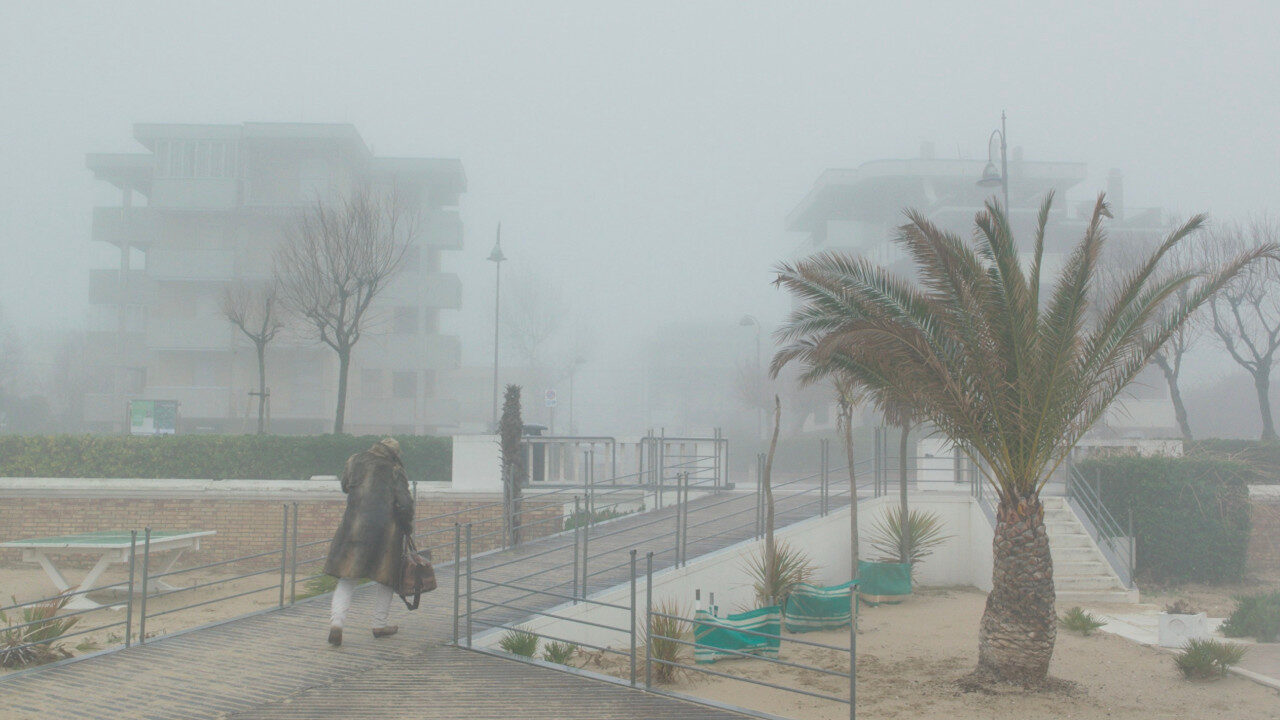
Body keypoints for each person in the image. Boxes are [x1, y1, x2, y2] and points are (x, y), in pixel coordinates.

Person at [323, 437, 414, 647]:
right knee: (386, 579)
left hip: (355, 529)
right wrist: (407, 527)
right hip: (386, 534)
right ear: (395, 453)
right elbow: (405, 504)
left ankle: (337, 624)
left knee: (347, 579)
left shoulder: (355, 461)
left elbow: (345, 486)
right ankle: (379, 624)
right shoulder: (395, 469)